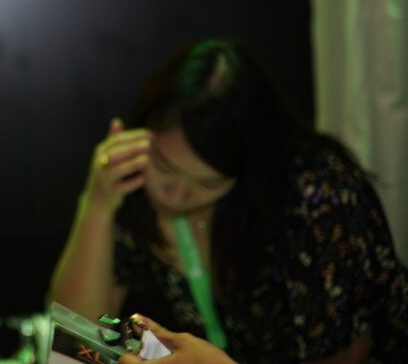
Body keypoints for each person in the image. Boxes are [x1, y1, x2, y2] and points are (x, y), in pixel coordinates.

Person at [50, 38, 408, 363]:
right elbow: (75, 341)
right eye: (165, 165)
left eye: (206, 183)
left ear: (248, 170)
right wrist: (97, 205)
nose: (175, 194)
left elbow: (345, 356)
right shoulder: (134, 180)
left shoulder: (319, 195)